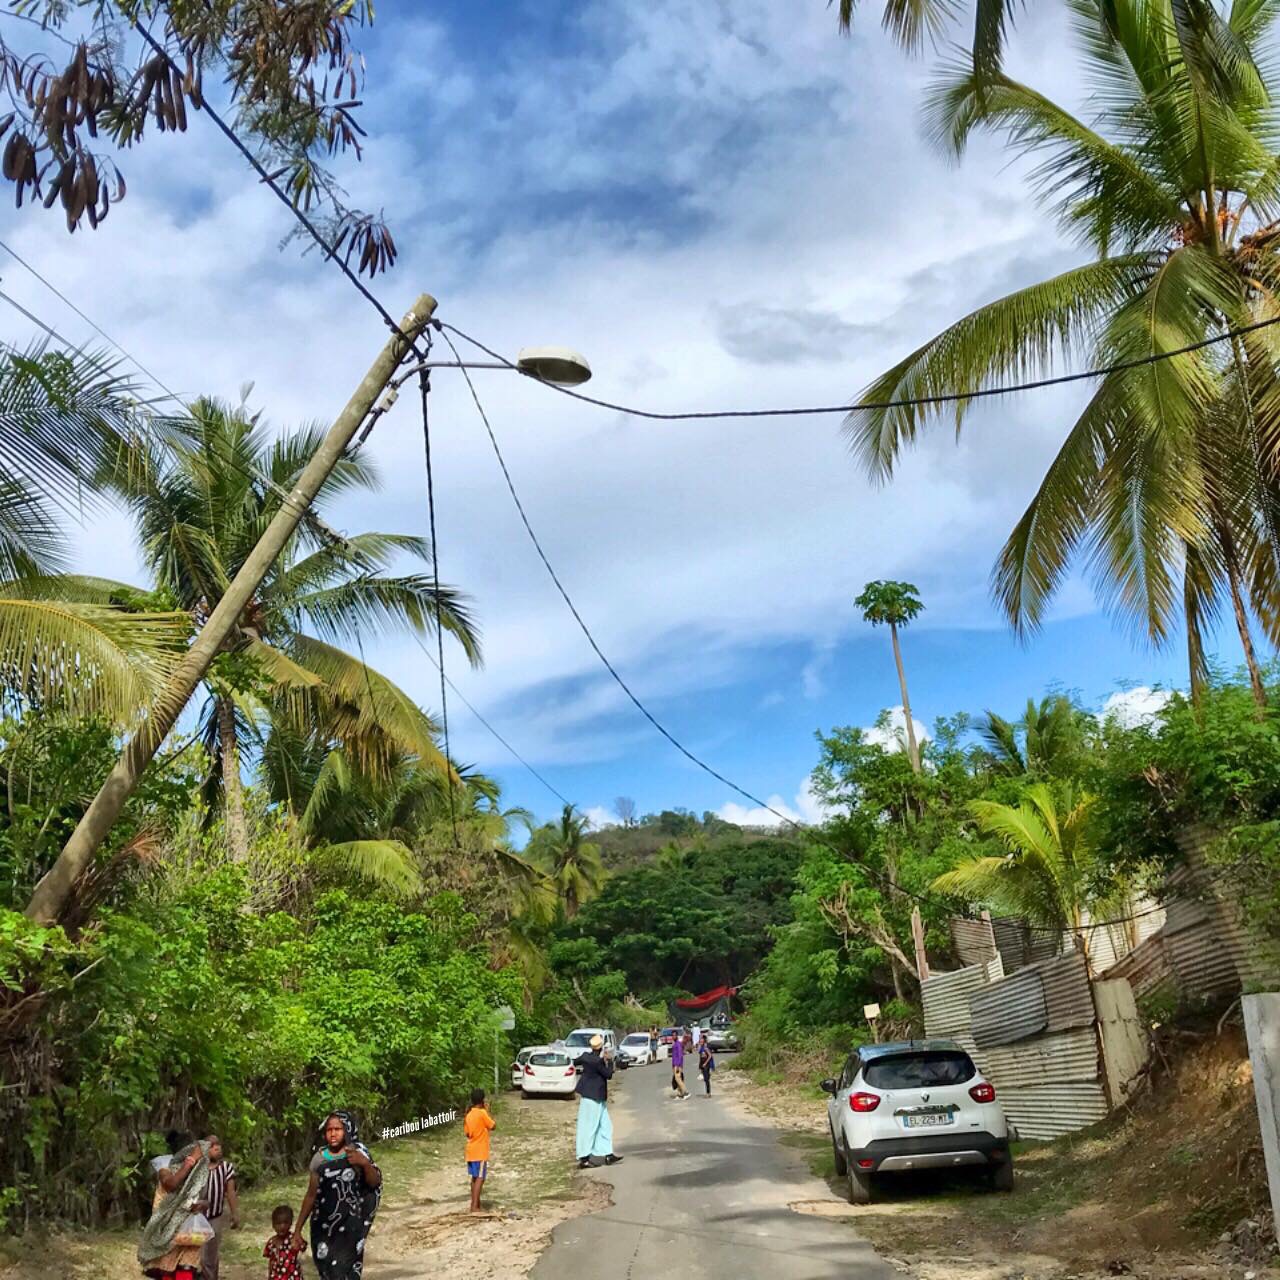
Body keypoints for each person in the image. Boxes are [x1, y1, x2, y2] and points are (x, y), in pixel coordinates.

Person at [292, 1110, 382, 1280]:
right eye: (329, 1130)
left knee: (344, 1270)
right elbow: (311, 1195)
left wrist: (364, 1164)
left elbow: (374, 1183)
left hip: (350, 1227)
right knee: (327, 1270)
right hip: (323, 1227)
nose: (333, 1134)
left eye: (338, 1129)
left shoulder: (358, 1153)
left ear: (347, 1130)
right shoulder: (319, 1159)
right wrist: (297, 1229)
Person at [138, 1132, 211, 1280]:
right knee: (167, 1266)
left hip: (189, 1228)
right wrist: (189, 1162)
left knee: (187, 1266)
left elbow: (202, 1197)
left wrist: (202, 1205)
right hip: (167, 1225)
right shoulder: (165, 1164)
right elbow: (170, 1184)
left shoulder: (199, 1168)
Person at [575, 1033, 623, 1168]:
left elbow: (575, 1061)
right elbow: (608, 1075)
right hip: (593, 1097)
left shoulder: (586, 1057)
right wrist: (610, 1061)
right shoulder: (598, 1061)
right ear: (601, 1048)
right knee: (589, 1127)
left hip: (592, 1095)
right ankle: (584, 1157)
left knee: (605, 1126)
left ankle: (608, 1153)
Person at [202, 1134, 240, 1280]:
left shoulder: (226, 1168)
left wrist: (234, 1213)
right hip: (198, 1217)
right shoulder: (198, 1169)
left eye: (218, 1144)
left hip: (215, 1216)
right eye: (212, 1146)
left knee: (211, 1254)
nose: (217, 1148)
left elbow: (230, 1192)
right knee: (199, 1256)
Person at [464, 1088, 496, 1212]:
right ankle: (474, 1206)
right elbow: (493, 1126)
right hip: (480, 1151)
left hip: (470, 1150)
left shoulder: (469, 1114)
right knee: (480, 1178)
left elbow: (467, 1133)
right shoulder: (482, 1113)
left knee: (474, 1177)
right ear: (482, 1100)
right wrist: (487, 1111)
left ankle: (476, 1204)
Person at [263, 1205, 306, 1280]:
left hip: (293, 1277)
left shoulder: (293, 1239)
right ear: (273, 1225)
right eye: (278, 1223)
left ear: (290, 1223)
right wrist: (270, 1276)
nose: (282, 1226)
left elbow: (303, 1247)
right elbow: (271, 1262)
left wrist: (299, 1244)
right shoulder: (271, 1242)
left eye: (285, 1223)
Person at [669, 1031, 689, 1100]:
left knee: (678, 1079)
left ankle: (686, 1092)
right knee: (676, 1080)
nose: (673, 1036)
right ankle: (679, 1094)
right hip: (674, 1064)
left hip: (678, 1065)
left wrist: (677, 1065)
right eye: (672, 1035)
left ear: (677, 1036)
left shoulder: (678, 1044)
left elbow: (680, 1055)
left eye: (674, 1035)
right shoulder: (674, 1044)